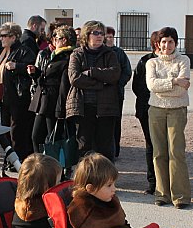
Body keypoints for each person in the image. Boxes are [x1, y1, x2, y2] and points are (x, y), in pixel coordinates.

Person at [146, 27, 192, 209]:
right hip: (156, 110)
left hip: (177, 111)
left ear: (176, 43)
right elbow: (151, 85)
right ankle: (162, 193)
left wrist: (166, 86)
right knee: (159, 152)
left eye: (171, 41)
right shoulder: (152, 63)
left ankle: (180, 195)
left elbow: (183, 89)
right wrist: (173, 81)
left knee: (176, 151)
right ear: (158, 44)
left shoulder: (184, 60)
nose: (167, 45)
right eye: (164, 41)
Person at [66, 20, 121, 162]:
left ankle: (105, 181)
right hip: (83, 107)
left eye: (102, 33)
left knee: (105, 148)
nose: (100, 36)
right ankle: (86, 180)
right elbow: (75, 78)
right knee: (84, 147)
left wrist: (91, 72)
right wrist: (101, 83)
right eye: (96, 33)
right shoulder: (76, 54)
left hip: (106, 108)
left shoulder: (110, 54)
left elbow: (114, 75)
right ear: (86, 35)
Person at [0, 22, 36, 163]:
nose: (1, 39)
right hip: (4, 98)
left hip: (18, 97)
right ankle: (10, 158)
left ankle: (19, 159)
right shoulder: (2, 52)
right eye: (0, 36)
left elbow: (33, 68)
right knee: (5, 130)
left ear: (13, 37)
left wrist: (17, 66)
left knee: (17, 131)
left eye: (4, 36)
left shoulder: (24, 51)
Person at [28, 25, 76, 154]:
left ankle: (56, 170)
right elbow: (47, 77)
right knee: (36, 136)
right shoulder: (54, 54)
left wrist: (60, 109)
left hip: (54, 104)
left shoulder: (68, 57)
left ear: (64, 40)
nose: (53, 40)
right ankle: (40, 166)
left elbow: (64, 85)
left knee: (54, 139)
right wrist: (35, 73)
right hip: (43, 101)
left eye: (56, 38)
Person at [131, 31, 159, 194]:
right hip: (146, 109)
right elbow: (137, 86)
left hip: (164, 108)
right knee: (151, 144)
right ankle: (152, 182)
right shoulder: (144, 61)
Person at [105, 26, 132, 157]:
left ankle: (115, 150)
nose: (109, 39)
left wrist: (117, 84)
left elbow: (127, 72)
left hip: (116, 93)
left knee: (116, 121)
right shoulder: (101, 52)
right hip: (101, 93)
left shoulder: (119, 53)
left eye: (111, 37)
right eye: (107, 36)